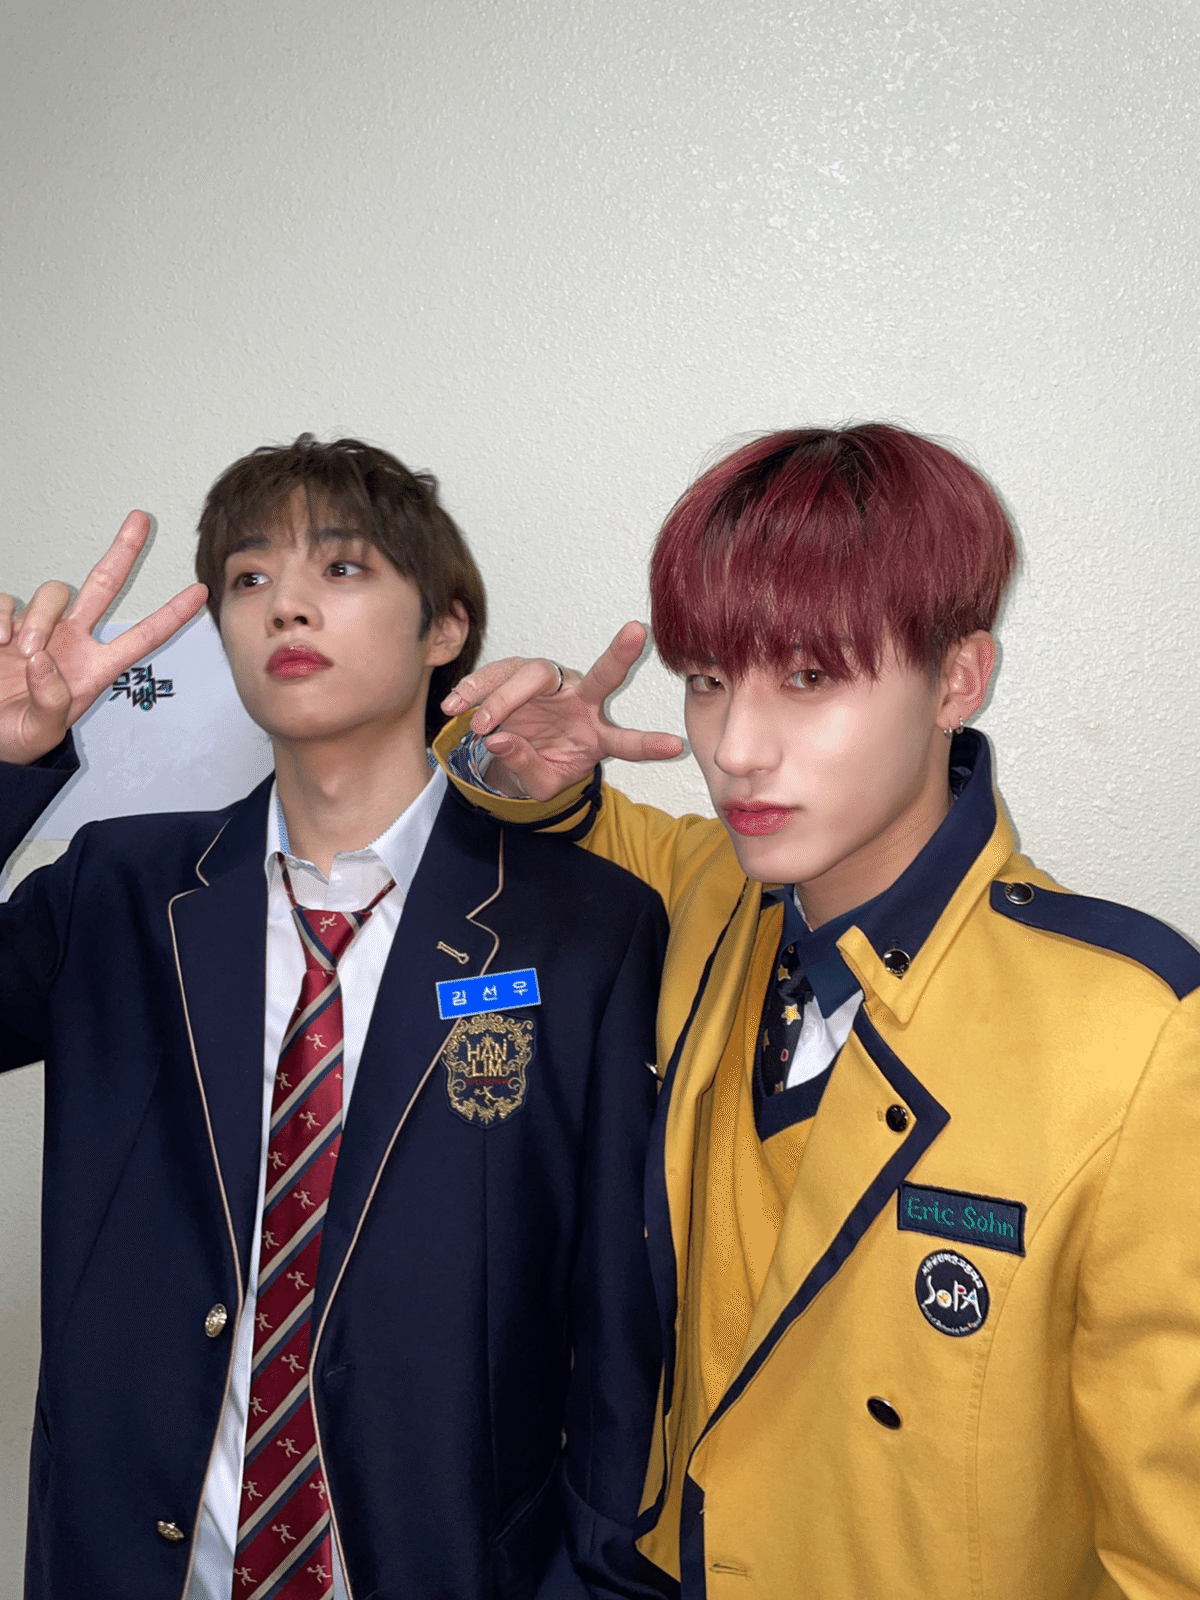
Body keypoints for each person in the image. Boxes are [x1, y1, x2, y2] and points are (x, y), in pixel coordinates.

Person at [436, 423, 1200, 1600]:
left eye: (808, 677)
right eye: (707, 680)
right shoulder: (711, 890)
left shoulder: (1134, 1030)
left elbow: (1169, 1553)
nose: (736, 749)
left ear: (958, 680)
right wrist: (502, 756)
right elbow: (550, 819)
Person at [0, 435, 670, 1600]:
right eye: (249, 577)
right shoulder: (118, 890)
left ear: (446, 626)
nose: (286, 603)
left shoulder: (582, 926)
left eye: (343, 567)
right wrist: (6, 773)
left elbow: (617, 1311)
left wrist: (597, 1577)